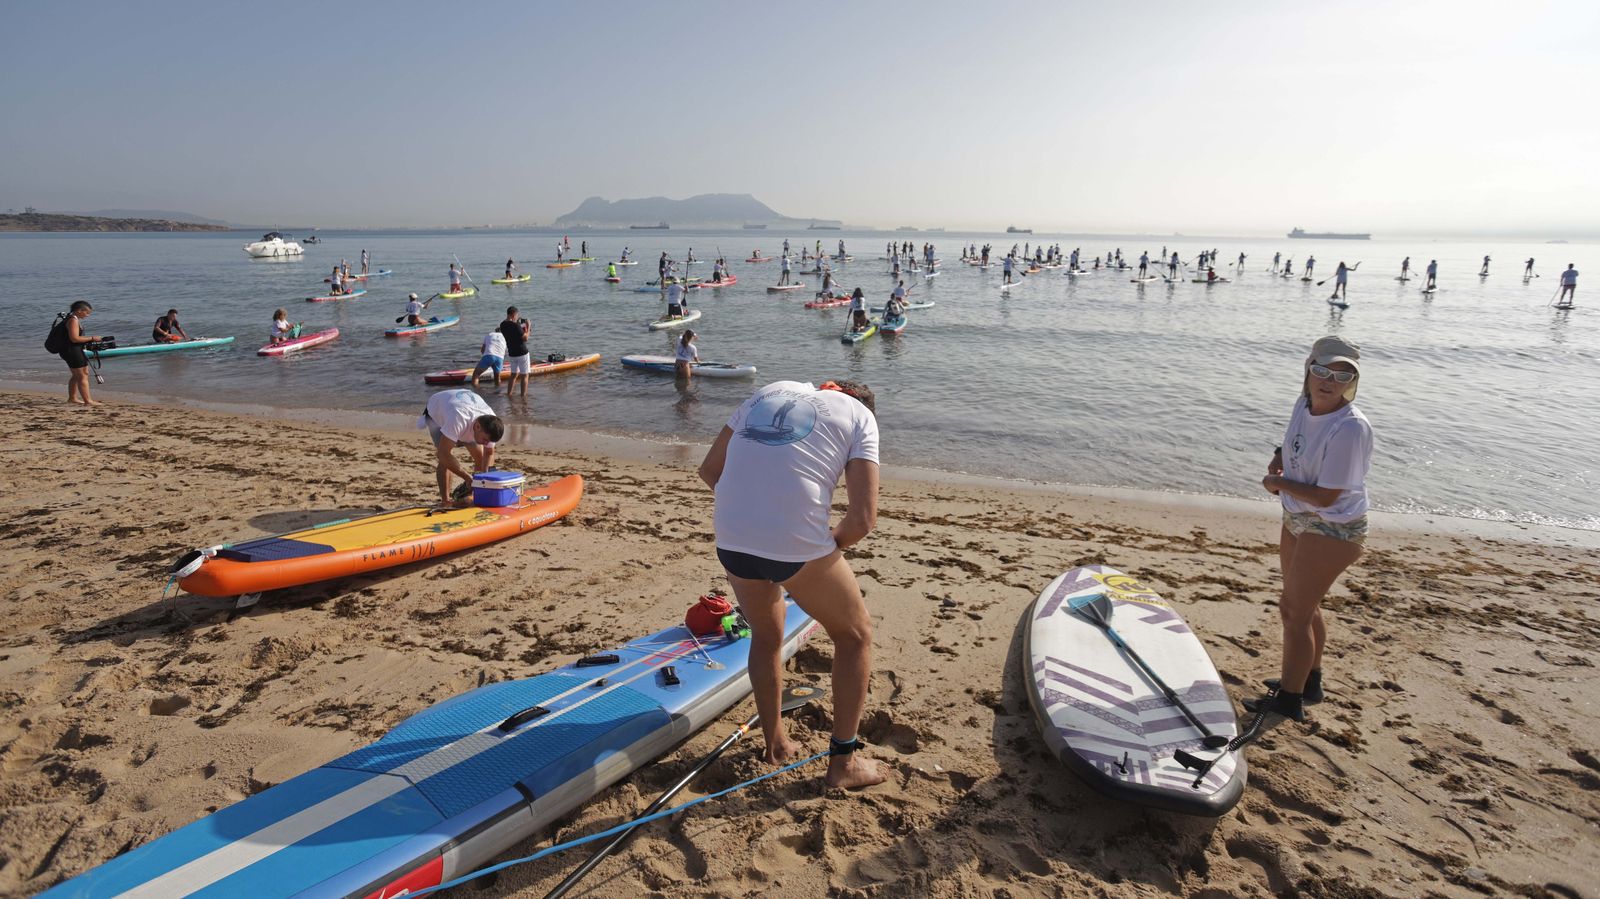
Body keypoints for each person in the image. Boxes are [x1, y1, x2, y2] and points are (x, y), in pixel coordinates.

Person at [697, 378, 886, 789]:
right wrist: (822, 551)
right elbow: (862, 519)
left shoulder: (771, 390)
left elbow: (710, 470)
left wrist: (755, 514)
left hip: (732, 538)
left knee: (766, 636)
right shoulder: (863, 417)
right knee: (855, 637)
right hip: (796, 546)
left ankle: (776, 744)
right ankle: (843, 767)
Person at [1250, 336, 1372, 723]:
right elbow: (1293, 441)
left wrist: (1278, 485)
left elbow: (1326, 497)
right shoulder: (1304, 403)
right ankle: (1310, 681)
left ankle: (1289, 700)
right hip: (1297, 517)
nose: (1328, 380)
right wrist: (1278, 455)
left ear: (1352, 381)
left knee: (1294, 612)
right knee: (1303, 604)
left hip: (1335, 526)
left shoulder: (1350, 428)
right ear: (1308, 369)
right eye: (1321, 370)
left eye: (1341, 374)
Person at [417, 389, 504, 505]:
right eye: (485, 440)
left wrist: (484, 480)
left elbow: (488, 454)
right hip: (436, 414)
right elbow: (443, 454)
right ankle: (445, 500)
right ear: (477, 427)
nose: (486, 443)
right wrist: (466, 477)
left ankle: (473, 493)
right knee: (445, 461)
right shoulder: (459, 418)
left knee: (480, 456)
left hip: (463, 409)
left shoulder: (491, 424)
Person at [50, 300, 104, 406]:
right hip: (71, 351)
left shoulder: (71, 318)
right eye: (87, 313)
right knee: (82, 376)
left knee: (78, 375)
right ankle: (88, 401)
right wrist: (92, 338)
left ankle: (72, 398)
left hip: (71, 350)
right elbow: (74, 339)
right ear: (79, 311)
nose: (87, 315)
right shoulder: (72, 320)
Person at [496, 306, 532, 396]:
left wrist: (518, 325)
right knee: (524, 375)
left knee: (513, 375)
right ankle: (523, 396)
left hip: (512, 353)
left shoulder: (502, 325)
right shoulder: (516, 326)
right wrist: (528, 326)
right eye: (516, 315)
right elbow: (526, 338)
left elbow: (513, 332)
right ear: (513, 314)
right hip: (522, 352)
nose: (517, 317)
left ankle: (509, 394)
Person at [471, 326, 507, 390]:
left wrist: (486, 360)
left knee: (476, 374)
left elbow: (482, 350)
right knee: (497, 377)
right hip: (500, 358)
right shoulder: (506, 337)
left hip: (489, 356)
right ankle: (497, 392)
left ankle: (476, 392)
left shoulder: (490, 334)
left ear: (496, 331)